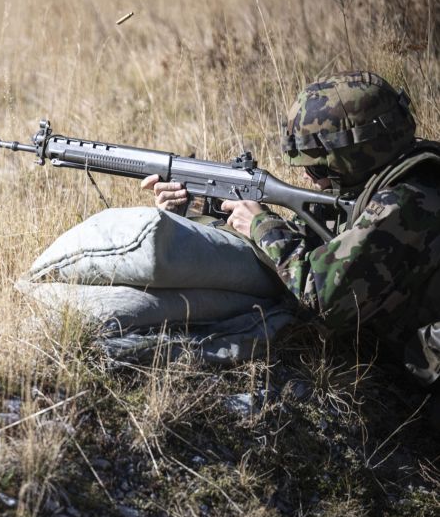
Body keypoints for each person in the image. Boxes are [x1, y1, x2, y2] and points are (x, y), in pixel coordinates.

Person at [141, 71, 440, 389]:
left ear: (355, 157)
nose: (312, 180)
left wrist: (261, 224)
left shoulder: (405, 202)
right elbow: (312, 242)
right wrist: (196, 207)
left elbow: (322, 299)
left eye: (318, 167)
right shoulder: (395, 179)